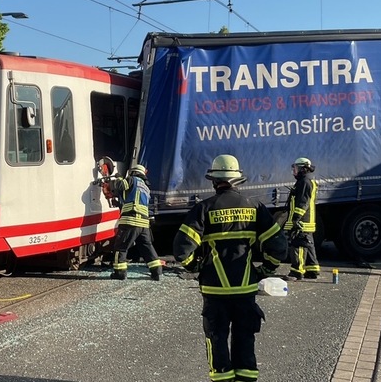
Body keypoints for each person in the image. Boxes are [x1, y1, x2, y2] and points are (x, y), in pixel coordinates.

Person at [173, 154, 288, 382]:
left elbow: (180, 249)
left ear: (214, 180)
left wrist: (195, 267)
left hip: (214, 291)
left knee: (217, 339)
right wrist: (264, 271)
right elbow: (279, 247)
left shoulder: (204, 209)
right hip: (245, 289)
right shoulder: (254, 207)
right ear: (237, 180)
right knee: (245, 339)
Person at [106, 164, 162, 280]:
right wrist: (119, 203)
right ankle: (157, 271)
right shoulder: (146, 187)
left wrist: (118, 177)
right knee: (147, 247)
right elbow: (133, 200)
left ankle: (119, 273)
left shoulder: (132, 180)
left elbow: (120, 185)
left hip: (130, 221)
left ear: (133, 172)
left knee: (120, 247)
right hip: (143, 223)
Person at [284, 157, 320, 281]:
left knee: (298, 244)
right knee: (308, 244)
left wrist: (295, 219)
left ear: (302, 169)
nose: (293, 170)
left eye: (295, 168)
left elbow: (302, 203)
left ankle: (297, 271)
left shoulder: (304, 182)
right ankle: (312, 270)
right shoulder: (307, 180)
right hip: (307, 221)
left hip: (302, 221)